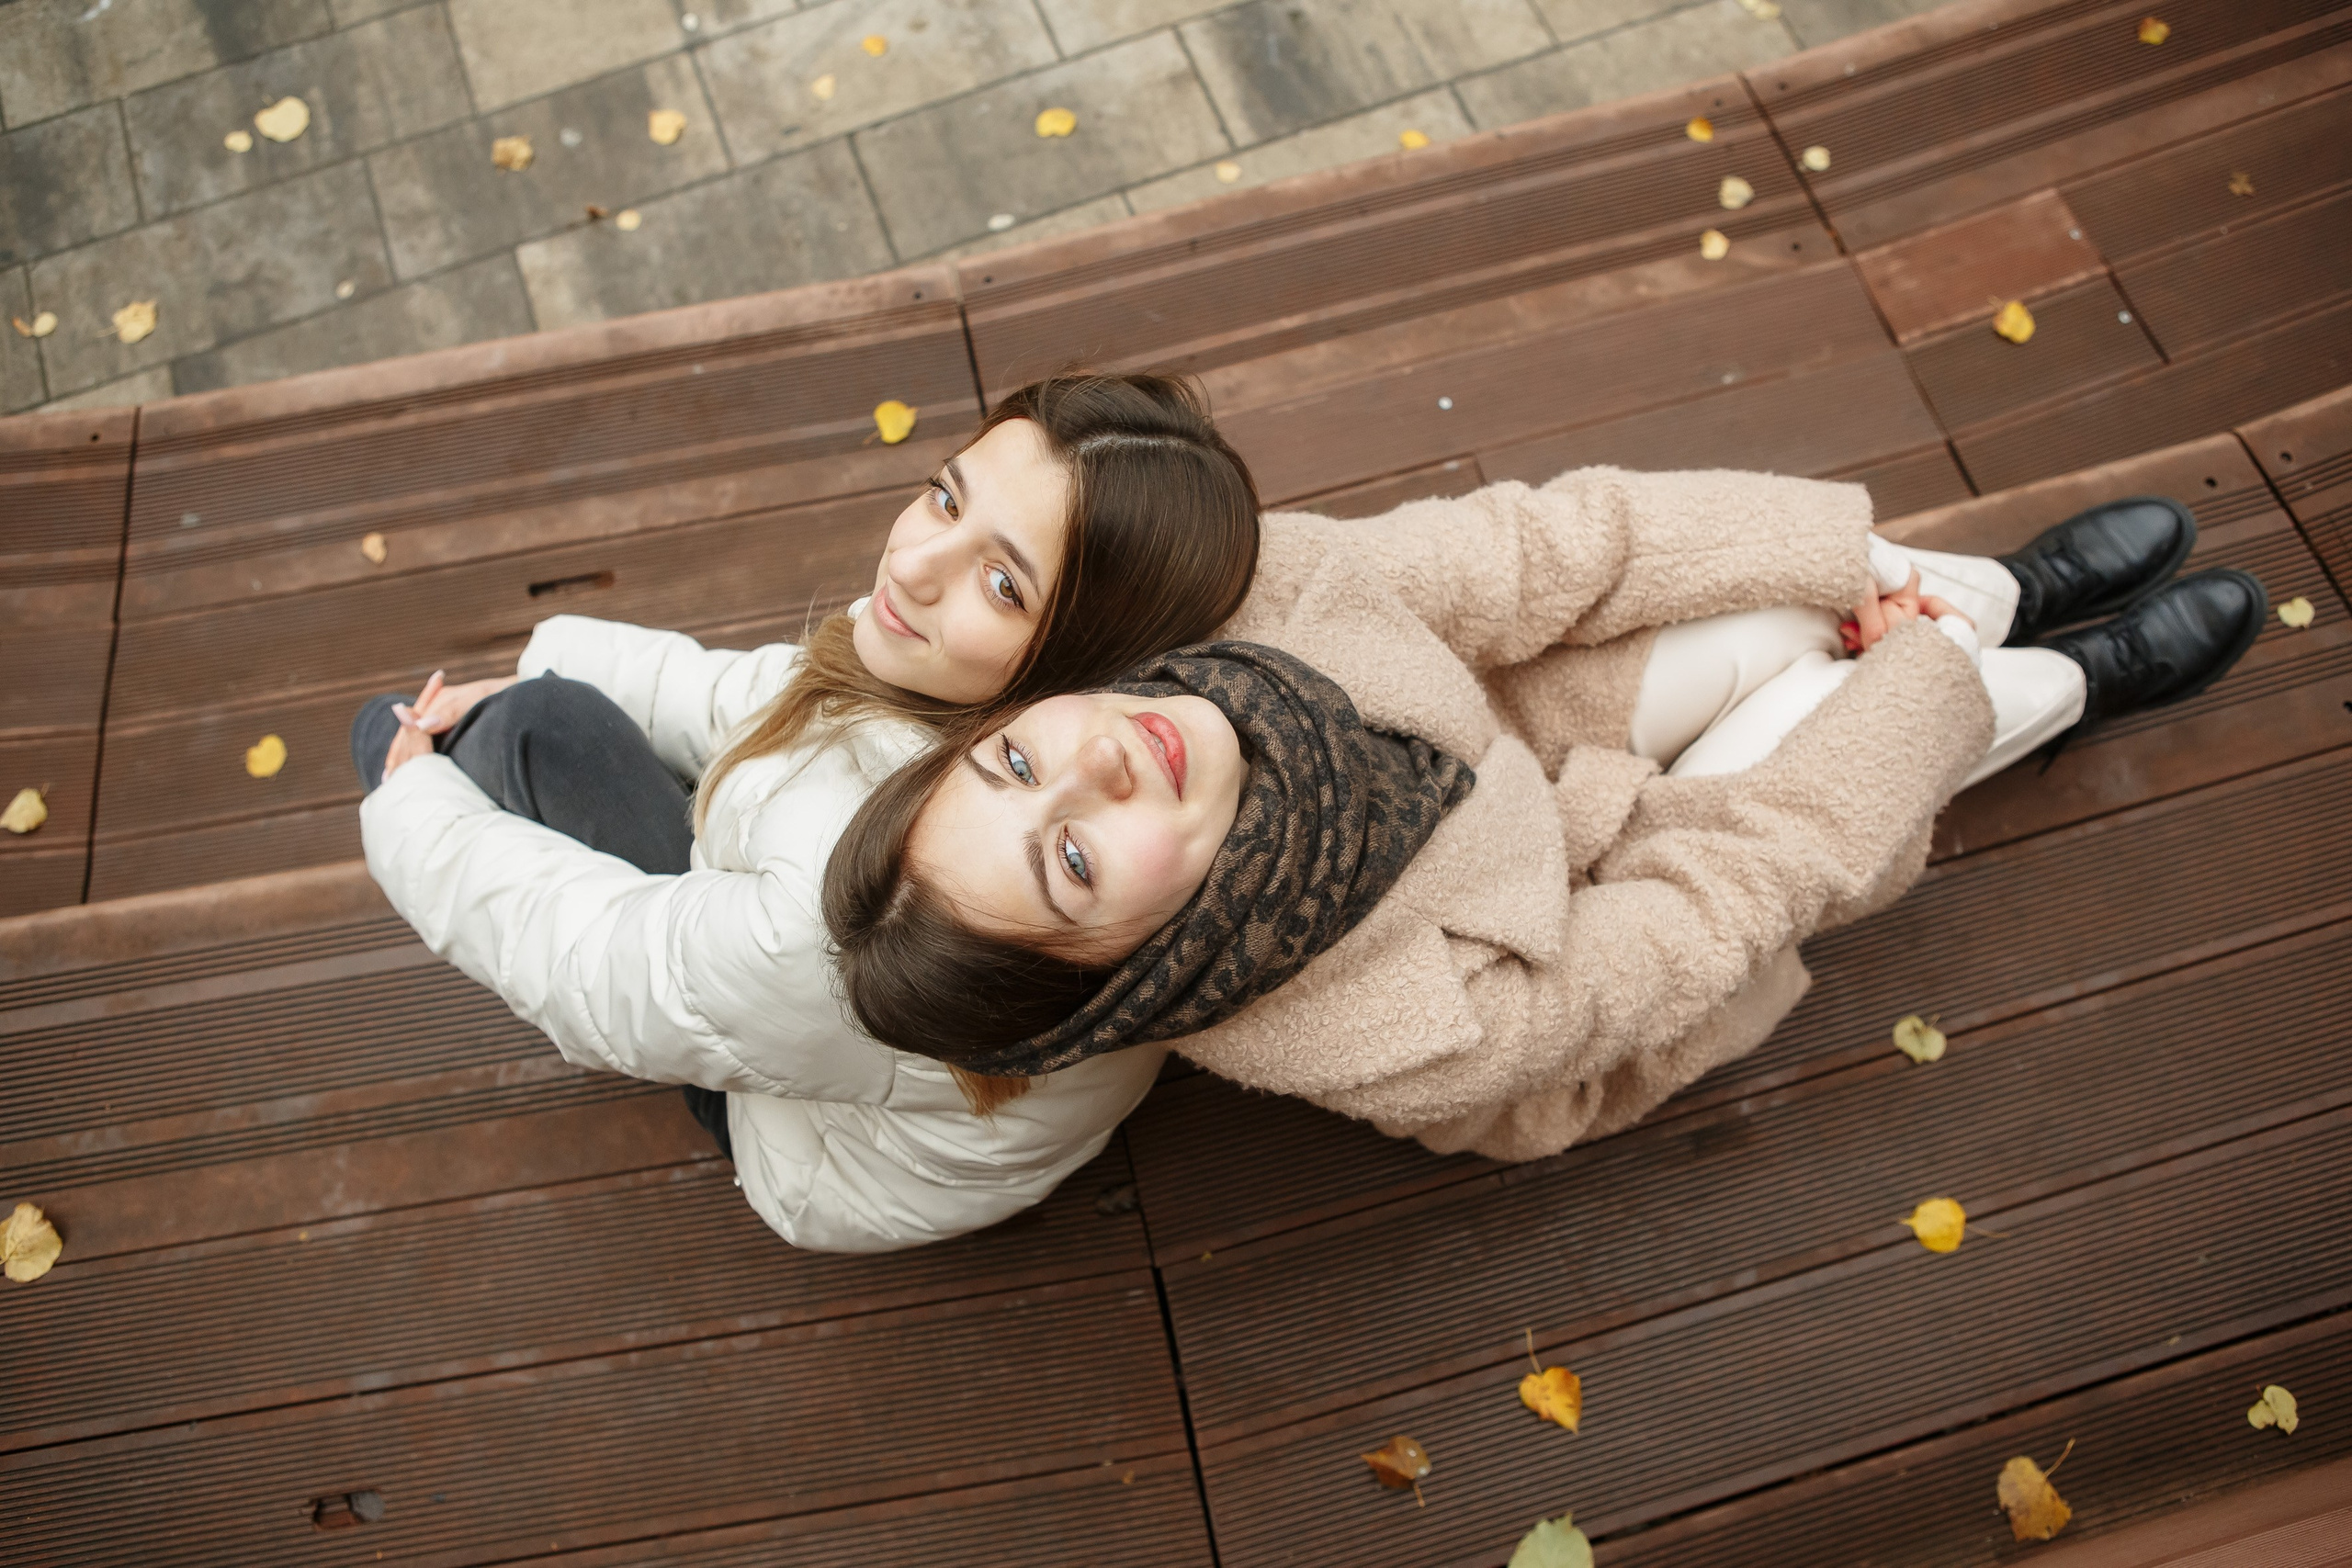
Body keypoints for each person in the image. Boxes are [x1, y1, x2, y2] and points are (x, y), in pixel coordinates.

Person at [826, 474, 2265, 1161]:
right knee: (1857, 727)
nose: (1094, 768)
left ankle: (1989, 590)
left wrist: (1852, 567)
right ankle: (2051, 677)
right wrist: (1906, 676)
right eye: (1071, 859)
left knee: (1777, 600)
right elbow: (1737, 881)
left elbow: (1544, 547)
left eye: (1013, 767)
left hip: (1530, 744)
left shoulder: (1237, 609)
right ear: (1137, 966)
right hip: (1603, 908)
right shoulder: (1416, 1030)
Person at [352, 372, 1260, 1251]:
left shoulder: (880, 907)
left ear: (1086, 657)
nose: (911, 562)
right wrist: (553, 662)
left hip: (805, 1143)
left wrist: (411, 804)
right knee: (542, 712)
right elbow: (767, 699)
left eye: (1004, 584)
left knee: (444, 736)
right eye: (946, 498)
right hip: (813, 996)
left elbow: (595, 962)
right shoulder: (990, 699)